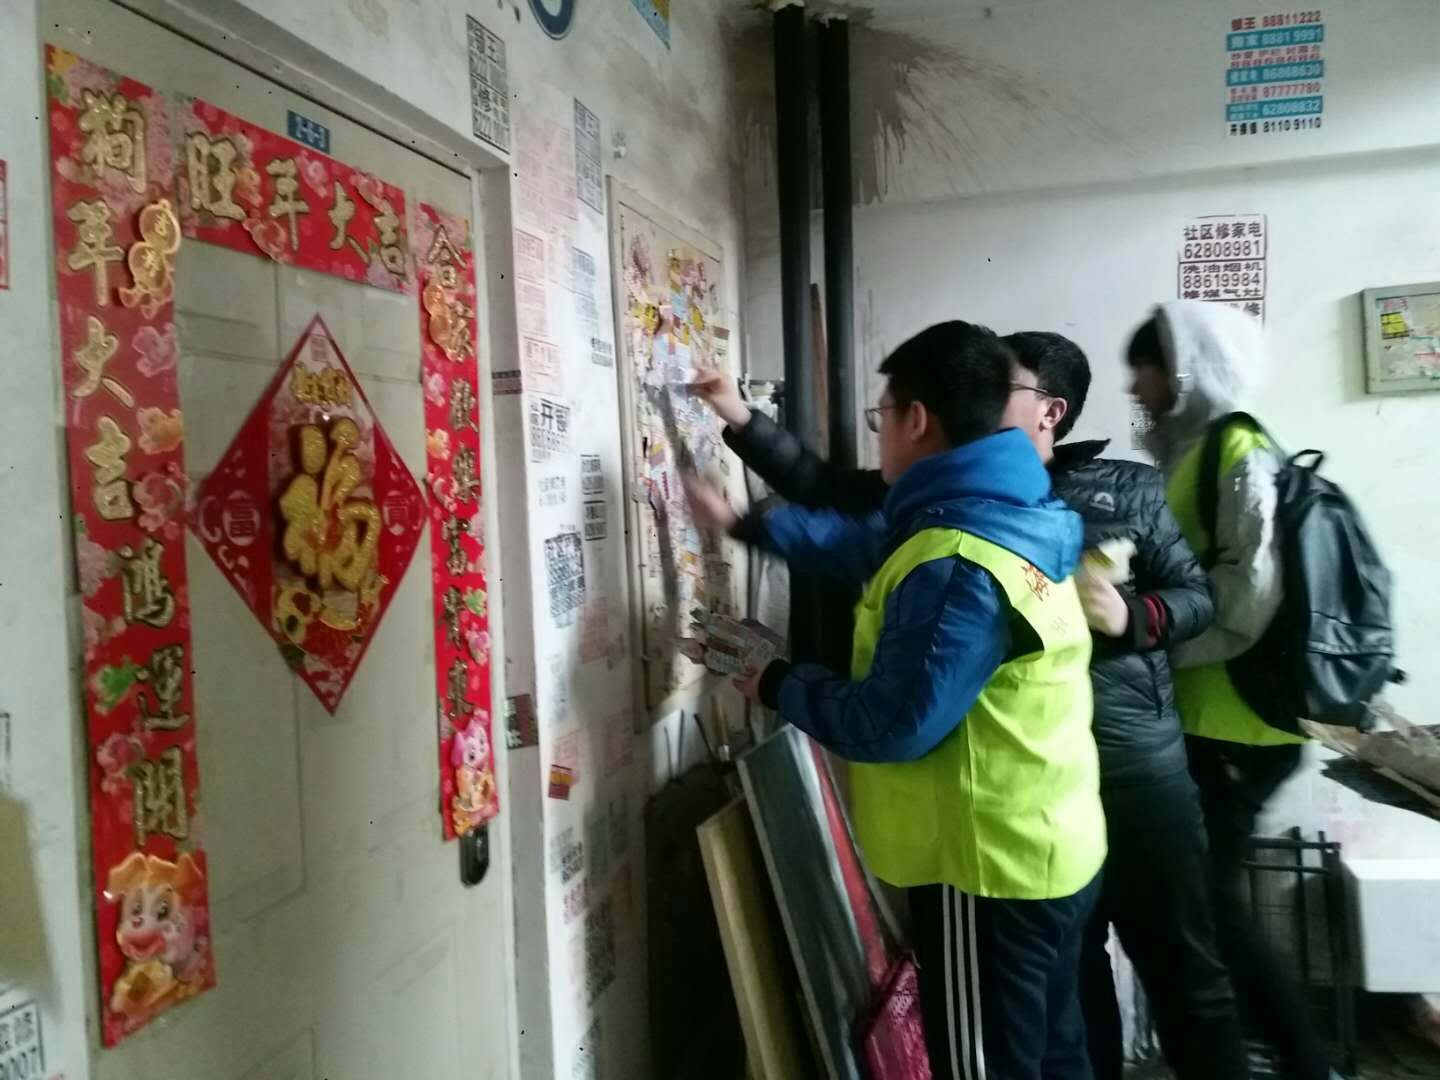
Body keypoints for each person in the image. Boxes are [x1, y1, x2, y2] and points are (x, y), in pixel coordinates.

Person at [692, 331, 1250, 1079]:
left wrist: (776, 681)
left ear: (916, 419)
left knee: (985, 1063)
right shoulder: (1016, 510)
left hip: (983, 864)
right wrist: (744, 521)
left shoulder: (958, 552)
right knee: (1056, 1050)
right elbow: (866, 541)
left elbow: (890, 724)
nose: (879, 435)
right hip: (1046, 842)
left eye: (880, 416)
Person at [1127, 300, 1337, 1080]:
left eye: (1146, 370)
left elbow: (1248, 600)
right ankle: (1292, 1056)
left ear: (1189, 369)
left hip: (1241, 725)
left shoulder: (1236, 449)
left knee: (1207, 905)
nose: (1137, 387)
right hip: (1210, 720)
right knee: (1204, 904)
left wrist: (1152, 641)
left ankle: (1304, 1059)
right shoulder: (1190, 451)